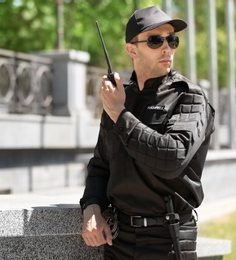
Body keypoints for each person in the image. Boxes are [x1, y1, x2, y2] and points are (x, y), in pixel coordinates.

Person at [79, 5, 215, 260]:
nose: (167, 48)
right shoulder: (121, 98)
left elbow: (172, 158)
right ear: (132, 49)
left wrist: (120, 114)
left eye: (172, 40)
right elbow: (100, 166)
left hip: (168, 239)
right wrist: (91, 207)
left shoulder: (189, 97)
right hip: (118, 240)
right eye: (155, 40)